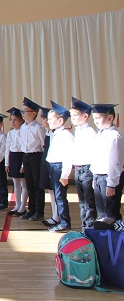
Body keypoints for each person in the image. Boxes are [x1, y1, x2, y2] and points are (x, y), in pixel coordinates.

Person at [89, 103, 124, 226]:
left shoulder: (114, 136)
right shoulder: (100, 134)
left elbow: (115, 162)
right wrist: (94, 177)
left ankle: (114, 235)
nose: (95, 121)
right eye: (94, 118)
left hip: (108, 178)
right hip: (98, 176)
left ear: (110, 118)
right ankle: (103, 234)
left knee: (111, 214)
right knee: (102, 214)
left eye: (98, 118)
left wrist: (111, 184)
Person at [44, 101, 74, 232]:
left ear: (60, 120)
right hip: (52, 166)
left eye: (51, 119)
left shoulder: (65, 135)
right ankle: (60, 220)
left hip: (59, 168)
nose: (48, 121)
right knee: (57, 196)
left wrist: (65, 174)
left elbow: (68, 156)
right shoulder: (55, 133)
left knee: (61, 196)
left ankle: (65, 222)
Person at [70, 97, 97, 229]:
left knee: (89, 201)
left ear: (85, 116)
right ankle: (84, 226)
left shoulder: (90, 131)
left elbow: (94, 153)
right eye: (71, 116)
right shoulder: (78, 130)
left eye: (75, 115)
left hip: (87, 169)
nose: (72, 118)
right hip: (78, 168)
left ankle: (90, 227)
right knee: (82, 202)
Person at [19, 97, 46, 221]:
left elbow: (43, 145)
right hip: (26, 156)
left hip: (36, 157)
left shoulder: (39, 128)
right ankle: (31, 209)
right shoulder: (23, 127)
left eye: (25, 111)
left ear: (34, 113)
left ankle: (39, 211)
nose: (23, 113)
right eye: (22, 111)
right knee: (29, 185)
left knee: (37, 185)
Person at [5, 107, 28, 216]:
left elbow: (25, 148)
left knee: (24, 183)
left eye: (15, 120)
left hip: (21, 157)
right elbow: (7, 148)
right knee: (16, 183)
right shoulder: (10, 133)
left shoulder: (24, 131)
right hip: (13, 157)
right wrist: (7, 163)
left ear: (21, 120)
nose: (12, 122)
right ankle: (17, 205)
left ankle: (23, 206)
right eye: (11, 120)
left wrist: (23, 164)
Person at [39, 106, 58, 226]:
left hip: (53, 165)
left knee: (55, 191)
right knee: (50, 191)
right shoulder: (48, 133)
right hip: (46, 162)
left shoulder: (55, 134)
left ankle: (57, 216)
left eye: (44, 119)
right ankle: (54, 215)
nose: (42, 121)